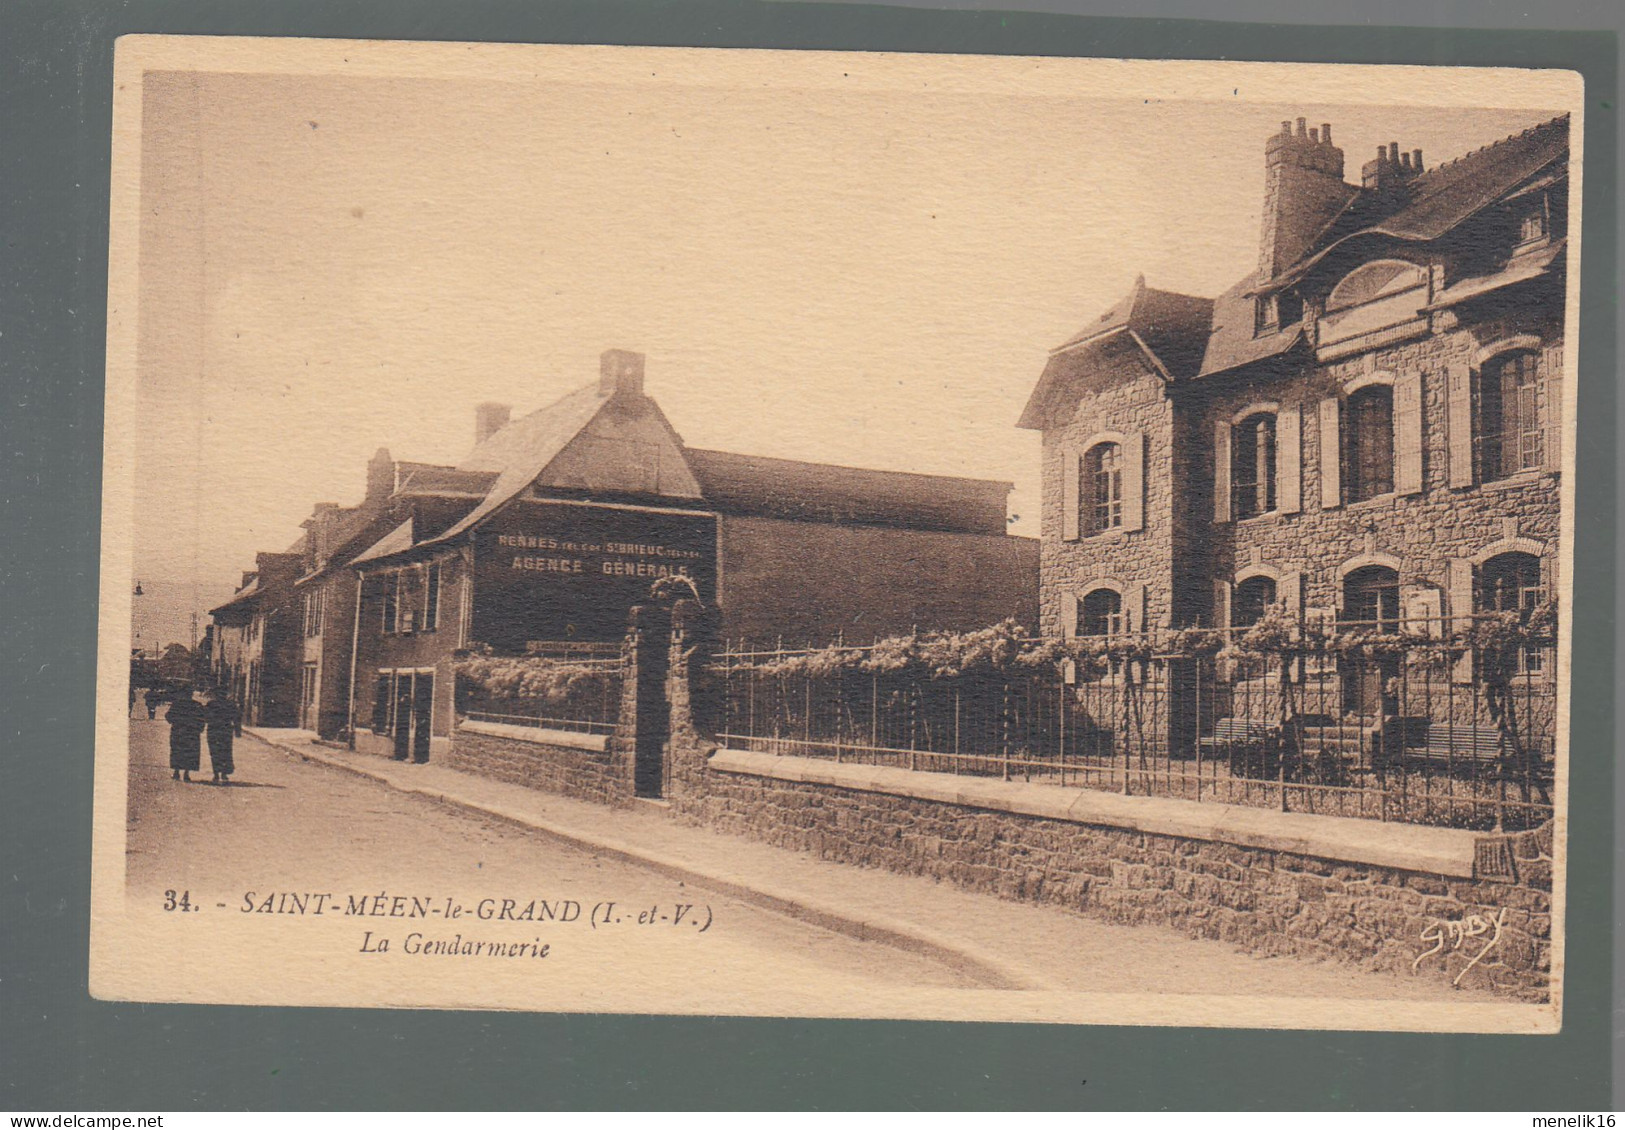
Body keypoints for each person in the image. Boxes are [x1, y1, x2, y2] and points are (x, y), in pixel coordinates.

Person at [165, 686, 206, 783]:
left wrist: (175, 721)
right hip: (192, 733)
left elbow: (168, 717)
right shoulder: (197, 705)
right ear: (191, 695)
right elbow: (202, 719)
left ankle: (176, 772)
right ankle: (186, 774)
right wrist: (199, 729)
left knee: (177, 751)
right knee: (190, 752)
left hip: (178, 732)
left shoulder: (176, 704)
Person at [204, 686, 242, 784]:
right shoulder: (231, 705)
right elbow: (237, 718)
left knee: (214, 752)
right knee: (225, 751)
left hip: (213, 730)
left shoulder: (211, 704)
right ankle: (223, 774)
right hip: (225, 730)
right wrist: (237, 731)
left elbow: (205, 717)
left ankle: (216, 774)